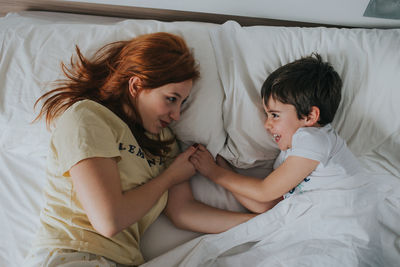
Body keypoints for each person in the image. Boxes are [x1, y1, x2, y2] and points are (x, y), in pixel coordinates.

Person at [25, 32, 254, 267]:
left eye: (182, 103)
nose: (176, 115)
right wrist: (169, 177)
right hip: (73, 254)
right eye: (171, 99)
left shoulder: (163, 140)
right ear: (136, 85)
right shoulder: (88, 117)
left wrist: (263, 223)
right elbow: (109, 221)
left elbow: (183, 211)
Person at [190, 53, 364, 214]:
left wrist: (214, 172)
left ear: (310, 116)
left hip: (345, 213)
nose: (267, 125)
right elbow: (266, 206)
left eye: (274, 115)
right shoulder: (289, 155)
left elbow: (264, 191)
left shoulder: (314, 139)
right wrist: (223, 167)